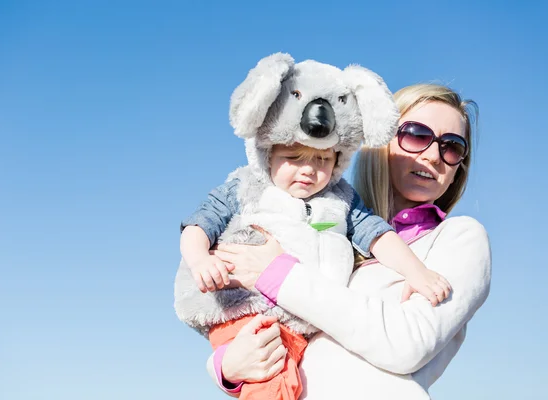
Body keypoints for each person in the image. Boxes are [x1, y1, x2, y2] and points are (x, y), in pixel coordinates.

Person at [207, 83, 492, 399]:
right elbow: (277, 323)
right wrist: (225, 366)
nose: (434, 155)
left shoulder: (460, 237)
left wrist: (277, 273)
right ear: (380, 142)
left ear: (458, 169)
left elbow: (407, 344)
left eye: (452, 146)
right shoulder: (329, 231)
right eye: (416, 134)